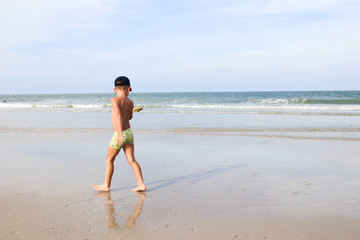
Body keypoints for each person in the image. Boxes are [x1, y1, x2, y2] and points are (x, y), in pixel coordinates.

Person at [93, 76, 146, 192]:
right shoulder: (131, 102)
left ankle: (106, 185)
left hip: (119, 134)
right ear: (129, 88)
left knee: (109, 159)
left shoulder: (114, 100)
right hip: (129, 133)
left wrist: (119, 133)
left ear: (115, 90)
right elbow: (130, 117)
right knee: (131, 160)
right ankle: (141, 184)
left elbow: (117, 114)